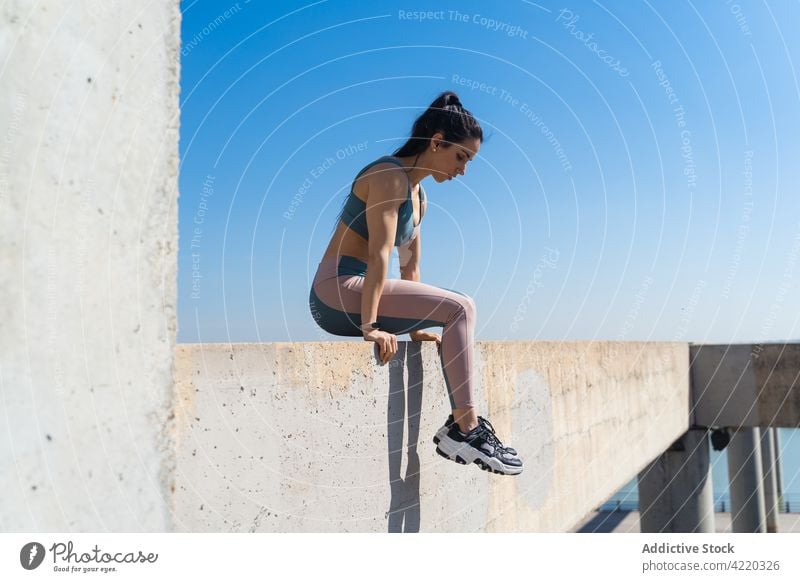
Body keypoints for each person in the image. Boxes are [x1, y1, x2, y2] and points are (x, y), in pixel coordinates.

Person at [308, 91, 522, 476]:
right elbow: (379, 256)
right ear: (437, 141)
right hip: (336, 291)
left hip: (361, 292)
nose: (463, 171)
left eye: (469, 162)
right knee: (460, 307)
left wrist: (420, 328)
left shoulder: (420, 197)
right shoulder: (387, 176)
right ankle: (466, 429)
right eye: (460, 157)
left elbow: (410, 270)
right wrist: (370, 327)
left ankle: (464, 428)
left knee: (455, 309)